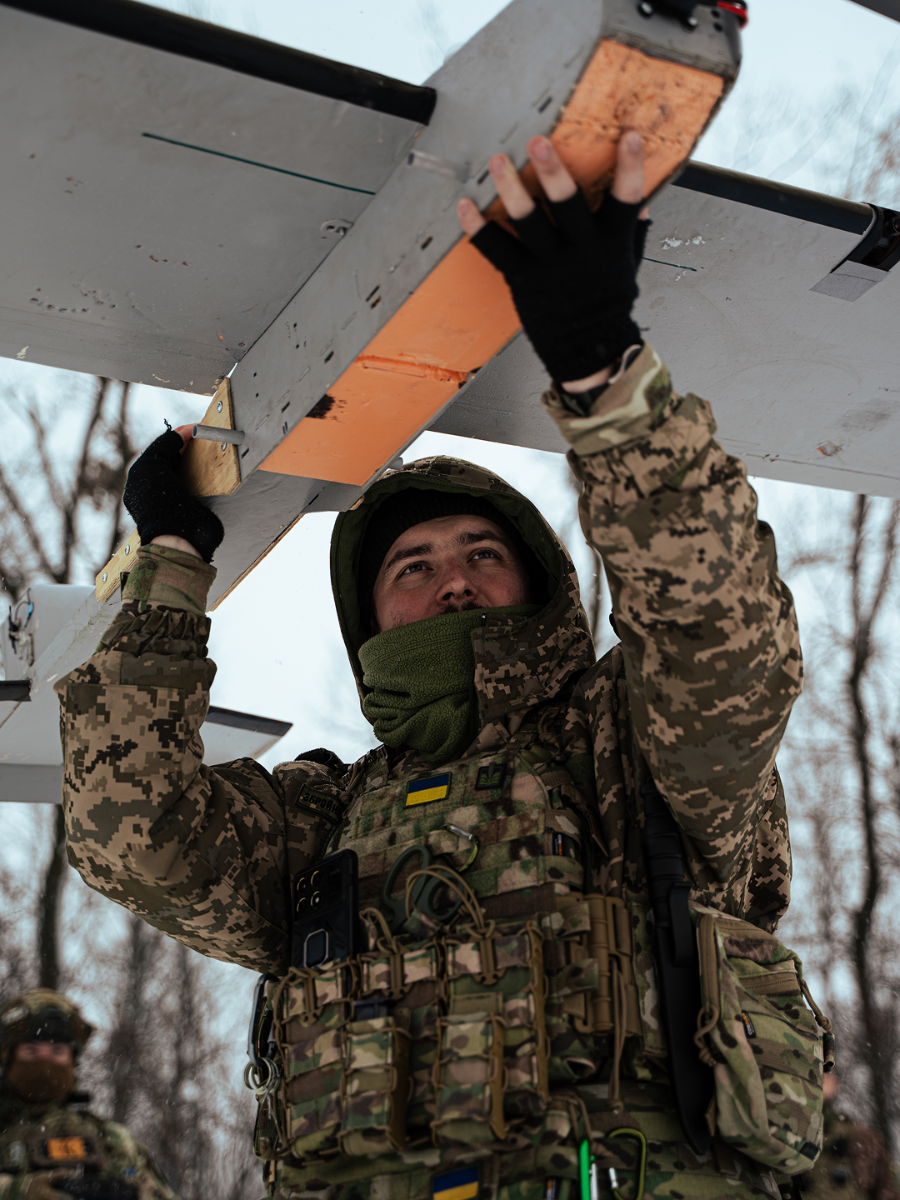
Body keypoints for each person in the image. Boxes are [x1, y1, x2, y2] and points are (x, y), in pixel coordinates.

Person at [56, 133, 805, 1198]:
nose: (451, 582)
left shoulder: (630, 750)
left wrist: (603, 369)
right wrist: (170, 567)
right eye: (413, 564)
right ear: (370, 623)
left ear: (543, 591)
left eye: (484, 554)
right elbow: (135, 833)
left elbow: (722, 639)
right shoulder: (324, 825)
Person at [0, 990, 178, 1200]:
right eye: (32, 1051)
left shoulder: (112, 1141)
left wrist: (133, 1194)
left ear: (72, 1060)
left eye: (57, 1051)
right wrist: (16, 1190)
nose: (45, 1062)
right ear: (8, 1057)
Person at [801, 1073, 900, 1200]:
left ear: (835, 1083)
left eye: (822, 1072)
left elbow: (888, 1193)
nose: (815, 1081)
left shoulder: (864, 1141)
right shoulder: (777, 1137)